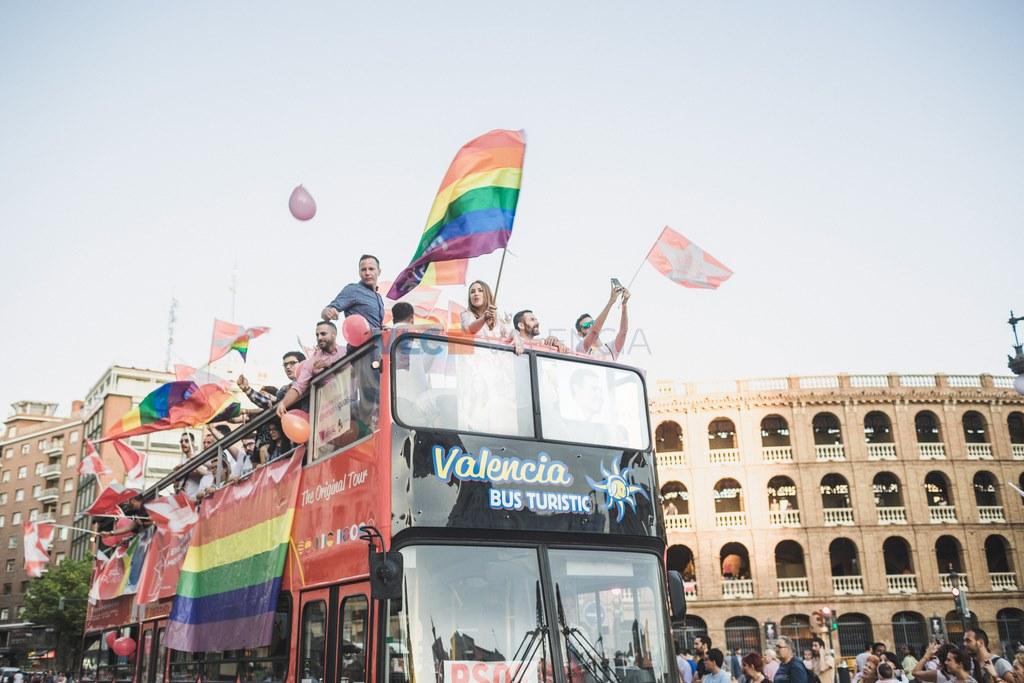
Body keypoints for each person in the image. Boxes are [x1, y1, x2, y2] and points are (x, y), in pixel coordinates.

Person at [277, 321, 346, 417]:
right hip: (330, 413)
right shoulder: (312, 362)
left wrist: (330, 365)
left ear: (334, 335)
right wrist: (283, 403)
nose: (319, 338)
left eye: (323, 334)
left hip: (351, 403)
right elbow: (299, 386)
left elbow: (355, 372)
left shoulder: (345, 351)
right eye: (317, 335)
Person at [321, 254, 385, 331]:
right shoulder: (353, 290)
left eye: (371, 269)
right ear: (359, 272)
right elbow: (328, 310)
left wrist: (382, 328)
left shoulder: (378, 297)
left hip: (378, 341)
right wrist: (327, 312)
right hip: (361, 342)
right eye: (363, 269)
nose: (367, 273)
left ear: (379, 271)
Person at [575, 285, 630, 359]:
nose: (591, 326)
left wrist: (624, 305)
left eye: (593, 323)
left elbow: (623, 332)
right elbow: (594, 331)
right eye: (586, 326)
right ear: (580, 334)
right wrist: (611, 301)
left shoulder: (611, 349)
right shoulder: (581, 348)